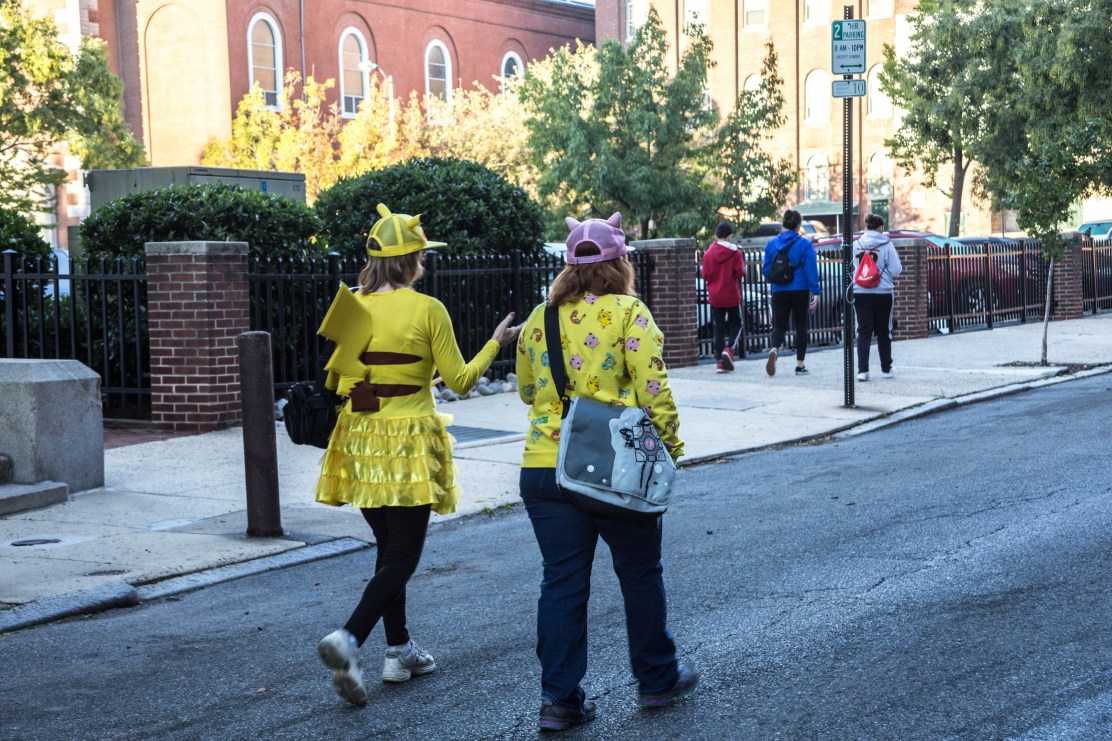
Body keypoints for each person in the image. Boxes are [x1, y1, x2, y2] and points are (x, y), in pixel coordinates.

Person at [314, 203, 520, 708]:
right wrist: (495, 343)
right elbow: (461, 381)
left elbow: (341, 383)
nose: (425, 262)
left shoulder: (353, 308)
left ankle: (399, 651)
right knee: (404, 556)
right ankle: (349, 639)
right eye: (422, 254)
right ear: (410, 261)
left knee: (389, 555)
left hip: (360, 439)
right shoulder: (429, 310)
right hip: (408, 441)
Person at [516, 212, 697, 733]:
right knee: (639, 573)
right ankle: (657, 677)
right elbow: (653, 389)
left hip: (545, 467)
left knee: (562, 582)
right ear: (620, 262)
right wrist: (671, 448)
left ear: (567, 266)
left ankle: (560, 700)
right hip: (614, 466)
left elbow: (529, 391)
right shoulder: (629, 313)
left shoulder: (539, 318)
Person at [761, 209, 821, 376]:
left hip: (779, 290)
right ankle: (800, 365)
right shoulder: (804, 245)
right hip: (800, 289)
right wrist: (815, 291)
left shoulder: (771, 244)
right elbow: (810, 270)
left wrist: (776, 281)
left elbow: (766, 269)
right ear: (798, 226)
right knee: (801, 326)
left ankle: (774, 349)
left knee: (779, 325)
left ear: (784, 223)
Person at [853, 213, 903, 381]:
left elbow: (853, 267)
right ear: (880, 227)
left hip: (860, 292)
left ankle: (862, 371)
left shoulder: (856, 244)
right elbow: (896, 269)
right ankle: (886, 367)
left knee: (863, 330)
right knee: (884, 330)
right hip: (883, 292)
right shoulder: (887, 244)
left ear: (866, 226)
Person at [701, 221, 746, 372]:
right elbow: (740, 273)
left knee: (718, 329)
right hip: (731, 294)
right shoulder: (736, 253)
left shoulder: (707, 254)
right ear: (729, 236)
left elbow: (705, 275)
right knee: (737, 323)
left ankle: (720, 363)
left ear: (716, 235)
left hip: (715, 295)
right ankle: (729, 349)